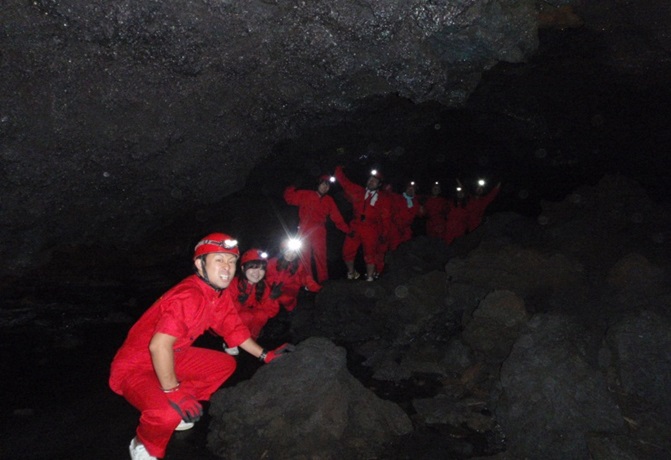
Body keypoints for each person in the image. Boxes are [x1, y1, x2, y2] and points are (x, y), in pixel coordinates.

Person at [109, 233, 293, 460]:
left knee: (224, 364)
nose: (227, 267)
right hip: (136, 365)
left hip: (174, 355)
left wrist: (266, 355)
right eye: (219, 260)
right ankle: (143, 444)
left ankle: (172, 395)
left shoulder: (217, 293)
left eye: (232, 261)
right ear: (199, 264)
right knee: (166, 412)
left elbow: (234, 328)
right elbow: (158, 347)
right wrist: (173, 392)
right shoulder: (189, 295)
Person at [283, 175, 350, 283]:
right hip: (304, 229)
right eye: (323, 184)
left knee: (320, 256)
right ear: (318, 184)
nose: (325, 187)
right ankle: (306, 282)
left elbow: (337, 217)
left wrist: (347, 230)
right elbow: (289, 198)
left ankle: (323, 282)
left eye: (327, 186)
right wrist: (292, 186)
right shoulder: (306, 194)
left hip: (319, 230)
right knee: (304, 257)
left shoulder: (329, 200)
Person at [334, 165, 392, 282]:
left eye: (375, 181)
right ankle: (351, 272)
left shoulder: (383, 198)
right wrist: (339, 168)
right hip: (355, 225)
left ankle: (370, 277)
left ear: (379, 185)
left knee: (370, 254)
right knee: (347, 251)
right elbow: (344, 182)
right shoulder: (359, 191)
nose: (371, 182)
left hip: (371, 228)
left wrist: (384, 234)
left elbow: (386, 218)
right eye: (370, 179)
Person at [225, 248, 281, 352]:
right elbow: (223, 312)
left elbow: (270, 312)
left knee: (261, 315)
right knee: (246, 316)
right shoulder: (233, 284)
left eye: (261, 269)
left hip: (249, 325)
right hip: (230, 325)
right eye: (253, 268)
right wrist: (238, 303)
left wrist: (271, 299)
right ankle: (231, 341)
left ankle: (252, 341)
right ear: (243, 268)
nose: (257, 273)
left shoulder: (263, 286)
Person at [266, 237, 322, 312]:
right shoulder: (272, 262)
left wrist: (319, 289)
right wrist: (272, 289)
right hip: (272, 291)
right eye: (288, 251)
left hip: (289, 295)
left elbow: (306, 278)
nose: (291, 255)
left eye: (294, 252)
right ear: (282, 251)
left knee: (286, 299)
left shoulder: (298, 265)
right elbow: (268, 277)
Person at [387, 181, 420, 251]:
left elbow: (422, 214)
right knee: (394, 249)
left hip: (406, 231)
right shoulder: (397, 197)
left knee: (406, 251)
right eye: (409, 188)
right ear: (405, 189)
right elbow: (387, 194)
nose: (410, 190)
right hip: (395, 229)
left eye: (413, 189)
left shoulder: (416, 203)